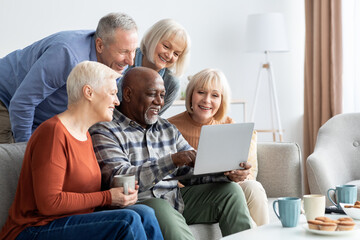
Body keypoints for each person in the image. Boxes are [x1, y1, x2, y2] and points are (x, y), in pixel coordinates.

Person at [0, 62, 163, 240]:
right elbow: (49, 203)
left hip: (72, 221)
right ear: (89, 93)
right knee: (127, 220)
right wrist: (108, 197)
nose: (117, 101)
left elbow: (82, 195)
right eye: (112, 93)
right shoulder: (54, 133)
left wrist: (117, 195)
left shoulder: (85, 135)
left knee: (145, 213)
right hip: (34, 229)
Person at [89, 67, 252, 240]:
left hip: (173, 198)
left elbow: (192, 170)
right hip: (138, 203)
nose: (159, 102)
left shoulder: (166, 128)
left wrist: (228, 173)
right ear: (128, 94)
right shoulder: (105, 130)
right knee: (159, 207)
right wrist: (172, 161)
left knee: (230, 192)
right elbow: (120, 178)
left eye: (162, 95)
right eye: (152, 94)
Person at [0, 12, 138, 143]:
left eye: (133, 51)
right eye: (123, 52)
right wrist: (26, 150)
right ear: (100, 45)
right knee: (13, 161)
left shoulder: (117, 64)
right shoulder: (66, 55)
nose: (130, 61)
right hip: (5, 98)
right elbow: (22, 103)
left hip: (37, 117)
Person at [168, 68, 270, 226]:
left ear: (222, 100)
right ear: (191, 95)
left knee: (253, 187)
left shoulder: (229, 124)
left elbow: (242, 171)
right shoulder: (170, 127)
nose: (207, 100)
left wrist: (241, 173)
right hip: (193, 192)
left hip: (225, 185)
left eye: (215, 95)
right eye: (201, 92)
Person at [117, 18, 191, 115]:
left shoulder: (171, 84)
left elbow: (152, 120)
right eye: (166, 46)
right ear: (152, 38)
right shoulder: (124, 60)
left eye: (176, 54)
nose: (169, 55)